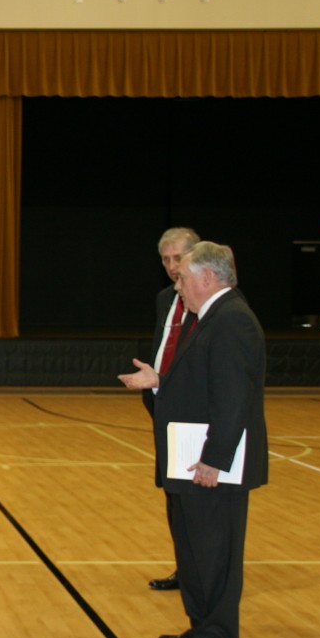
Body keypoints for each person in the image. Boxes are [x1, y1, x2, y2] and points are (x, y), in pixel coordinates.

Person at [120, 241, 268, 638]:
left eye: (182, 276)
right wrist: (159, 380)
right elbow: (199, 383)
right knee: (195, 550)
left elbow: (233, 400)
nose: (177, 284)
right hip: (191, 456)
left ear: (207, 277)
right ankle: (200, 627)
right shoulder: (209, 318)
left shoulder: (232, 321)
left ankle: (218, 637)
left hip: (212, 464)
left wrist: (214, 461)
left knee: (215, 553)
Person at [122, 227, 201, 592]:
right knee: (173, 494)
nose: (172, 267)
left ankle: (201, 573)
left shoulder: (208, 303)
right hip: (163, 408)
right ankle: (185, 569)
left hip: (194, 415)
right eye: (166, 260)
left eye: (178, 258)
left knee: (194, 499)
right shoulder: (164, 299)